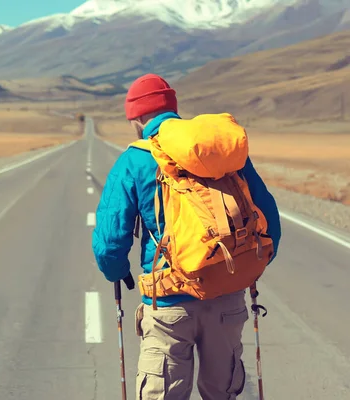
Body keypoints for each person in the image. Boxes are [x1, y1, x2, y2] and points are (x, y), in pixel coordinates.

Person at [92, 73, 281, 399]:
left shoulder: (134, 160)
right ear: (173, 110)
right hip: (227, 295)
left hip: (167, 304)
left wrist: (118, 272)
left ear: (136, 117)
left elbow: (110, 244)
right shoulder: (219, 154)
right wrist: (246, 267)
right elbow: (270, 221)